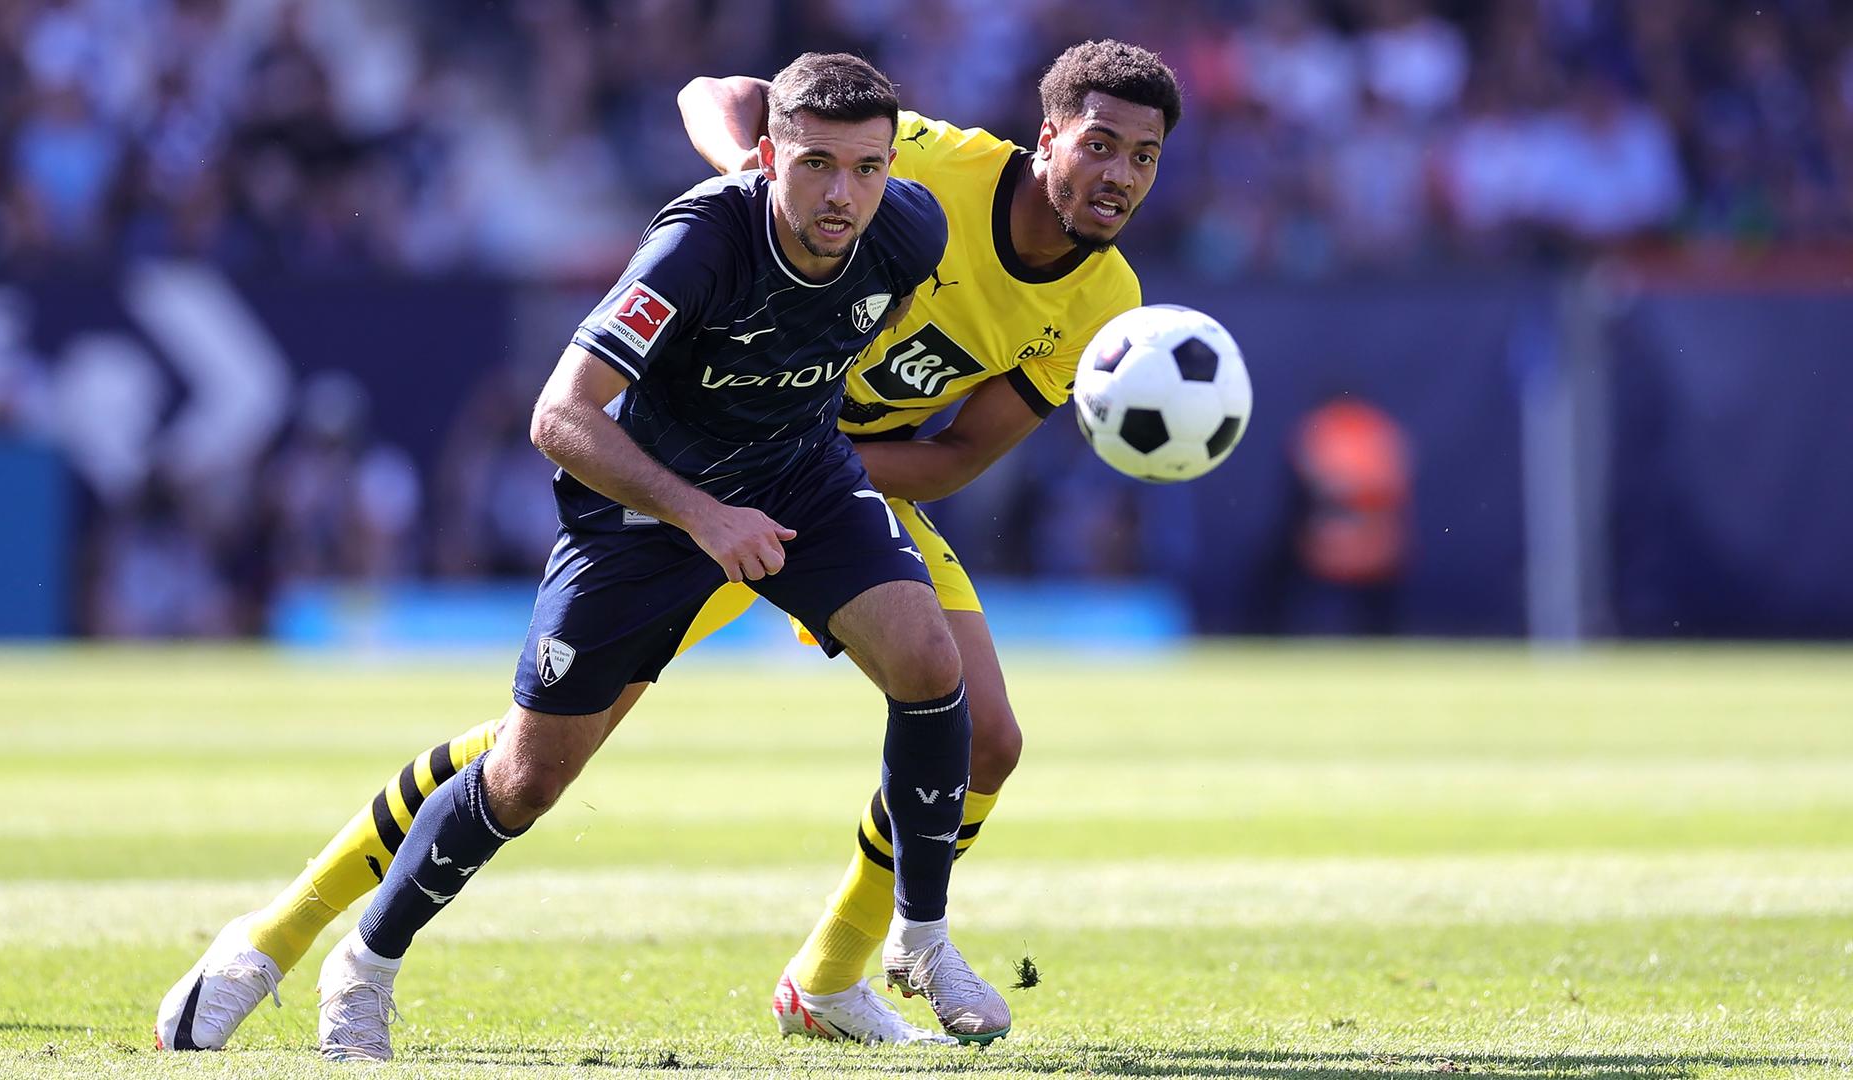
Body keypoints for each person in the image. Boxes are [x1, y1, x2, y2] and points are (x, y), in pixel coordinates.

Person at [156, 39, 1180, 1050]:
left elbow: (953, 451)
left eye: (1144, 157)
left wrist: (813, 429)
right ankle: (279, 939)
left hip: (815, 472)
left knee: (972, 721)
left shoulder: (1068, 288)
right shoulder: (905, 167)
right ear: (1048, 135)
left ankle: (848, 970)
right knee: (530, 766)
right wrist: (750, 177)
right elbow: (715, 99)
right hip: (672, 491)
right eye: (1102, 144)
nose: (1119, 174)